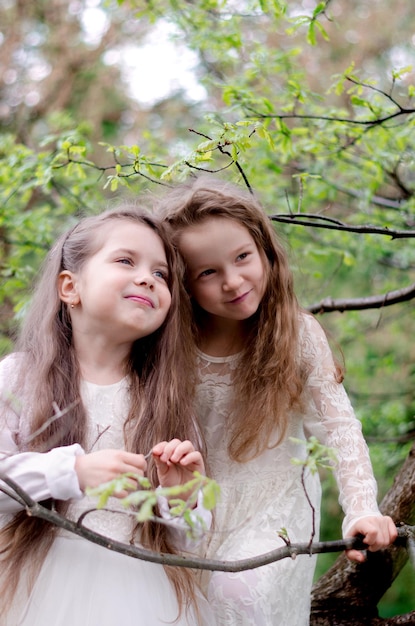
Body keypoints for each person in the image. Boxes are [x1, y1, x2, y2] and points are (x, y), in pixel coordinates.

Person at [156, 177, 398, 626]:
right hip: (194, 509)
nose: (233, 282)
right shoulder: (172, 347)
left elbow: (341, 430)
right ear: (183, 283)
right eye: (207, 272)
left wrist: (362, 508)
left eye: (243, 257)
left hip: (275, 505)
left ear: (265, 250)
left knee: (237, 596)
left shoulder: (297, 335)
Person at [0, 204, 216, 626]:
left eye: (161, 274)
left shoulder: (166, 399)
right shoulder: (19, 377)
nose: (146, 278)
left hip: (143, 593)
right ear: (69, 286)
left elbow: (193, 540)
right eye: (125, 260)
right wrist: (72, 472)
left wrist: (180, 498)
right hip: (37, 585)